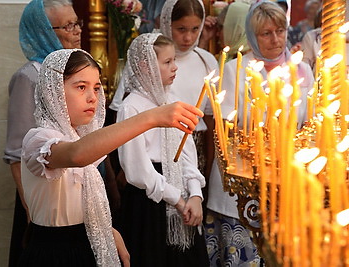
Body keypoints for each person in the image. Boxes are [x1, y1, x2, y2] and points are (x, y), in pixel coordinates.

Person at [18, 48, 204, 266]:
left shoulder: (79, 137)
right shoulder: (38, 140)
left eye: (97, 88)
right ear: (54, 92)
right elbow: (77, 154)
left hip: (87, 243)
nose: (92, 97)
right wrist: (152, 117)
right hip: (55, 252)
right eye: (81, 87)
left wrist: (106, 231)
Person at [206, 1, 314, 266]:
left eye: (280, 30)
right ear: (253, 36)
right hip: (240, 186)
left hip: (286, 186)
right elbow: (225, 130)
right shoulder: (234, 71)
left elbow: (308, 126)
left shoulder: (302, 70)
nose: (276, 39)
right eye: (266, 33)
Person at [116, 33, 209, 267]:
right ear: (145, 66)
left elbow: (187, 152)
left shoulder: (172, 100)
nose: (175, 67)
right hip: (149, 205)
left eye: (174, 60)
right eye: (167, 62)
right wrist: (177, 199)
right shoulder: (131, 107)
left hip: (182, 194)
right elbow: (137, 170)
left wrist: (195, 194)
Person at [3, 0, 82, 265]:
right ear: (44, 32)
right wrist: (31, 211)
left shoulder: (75, 72)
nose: (77, 31)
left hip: (74, 191)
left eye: (76, 22)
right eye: (67, 26)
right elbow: (16, 153)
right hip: (43, 198)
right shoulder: (30, 76)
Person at [159, 0, 219, 205]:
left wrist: (210, 167)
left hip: (198, 145)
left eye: (195, 29)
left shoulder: (206, 60)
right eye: (181, 29)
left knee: (194, 210)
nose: (188, 37)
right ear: (167, 24)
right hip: (160, 144)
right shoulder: (154, 58)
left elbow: (212, 118)